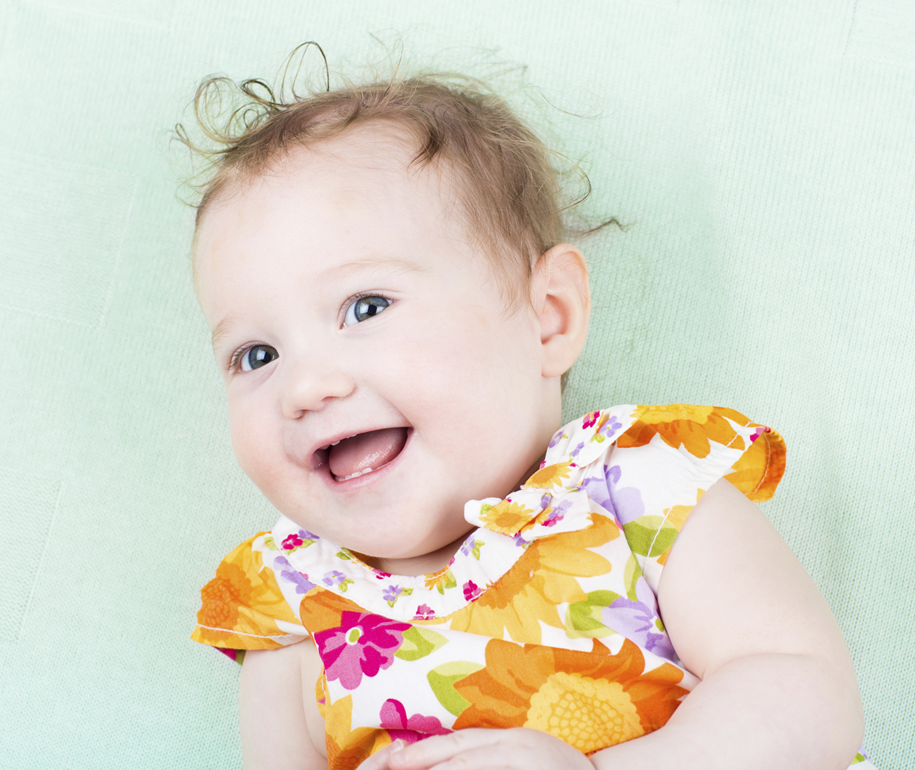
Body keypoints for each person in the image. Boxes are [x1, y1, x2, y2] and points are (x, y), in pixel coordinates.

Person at [180, 51, 872, 770]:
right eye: (257, 355)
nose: (304, 387)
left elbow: (805, 690)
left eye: (366, 307)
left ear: (547, 318)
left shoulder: (639, 493)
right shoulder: (289, 605)